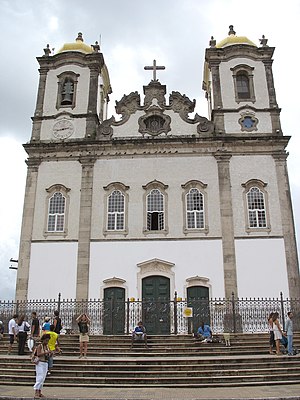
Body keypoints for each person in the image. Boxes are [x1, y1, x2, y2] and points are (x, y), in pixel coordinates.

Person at [33, 333, 52, 398]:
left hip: (45, 363)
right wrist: (46, 352)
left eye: (48, 340)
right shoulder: (39, 346)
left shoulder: (47, 346)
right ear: (43, 340)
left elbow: (49, 355)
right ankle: (36, 391)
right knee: (40, 377)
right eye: (46, 340)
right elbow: (38, 354)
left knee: (43, 378)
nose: (47, 342)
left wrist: (51, 353)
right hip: (40, 363)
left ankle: (40, 391)